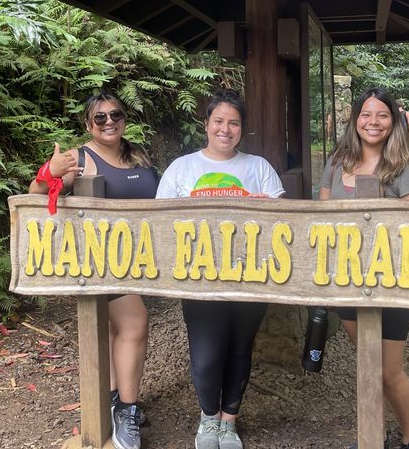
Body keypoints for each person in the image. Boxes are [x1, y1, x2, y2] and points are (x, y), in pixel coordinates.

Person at [156, 88, 285, 449]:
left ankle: (229, 422)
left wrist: (267, 207)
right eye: (218, 121)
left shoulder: (258, 167)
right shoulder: (182, 168)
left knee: (241, 348)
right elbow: (157, 221)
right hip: (198, 279)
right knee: (207, 353)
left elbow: (286, 224)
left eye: (233, 123)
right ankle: (208, 419)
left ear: (242, 128)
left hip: (250, 277)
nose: (225, 129)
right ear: (206, 124)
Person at [29, 92, 158, 449]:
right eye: (99, 118)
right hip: (100, 260)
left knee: (117, 330)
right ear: (88, 124)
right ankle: (128, 413)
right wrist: (48, 173)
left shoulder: (138, 154)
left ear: (124, 118)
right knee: (134, 324)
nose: (109, 122)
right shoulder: (79, 158)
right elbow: (38, 194)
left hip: (140, 259)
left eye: (115, 114)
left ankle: (115, 400)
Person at [319, 87, 409, 449]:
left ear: (393, 121)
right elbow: (321, 220)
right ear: (355, 118)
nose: (373, 122)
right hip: (345, 280)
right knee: (368, 361)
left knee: (388, 369)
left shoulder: (406, 171)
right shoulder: (336, 164)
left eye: (382, 115)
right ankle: (373, 435)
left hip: (394, 285)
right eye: (366, 114)